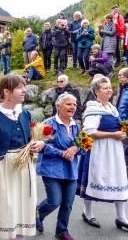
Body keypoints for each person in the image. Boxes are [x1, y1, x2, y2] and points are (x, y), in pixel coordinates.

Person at [0, 73, 45, 240]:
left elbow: (29, 141)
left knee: (23, 206)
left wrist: (38, 145)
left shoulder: (24, 113)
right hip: (3, 168)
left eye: (24, 87)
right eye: (20, 87)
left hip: (24, 167)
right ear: (6, 91)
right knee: (5, 207)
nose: (24, 90)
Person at [77, 76, 128, 231]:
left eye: (110, 87)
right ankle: (87, 212)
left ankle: (121, 217)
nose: (110, 90)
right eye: (105, 88)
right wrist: (113, 135)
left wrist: (125, 131)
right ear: (97, 91)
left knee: (119, 179)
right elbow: (89, 132)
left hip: (114, 151)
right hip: (99, 151)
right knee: (93, 179)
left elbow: (116, 127)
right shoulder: (93, 108)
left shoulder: (112, 107)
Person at [37, 93, 81, 240]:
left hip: (70, 169)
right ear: (58, 106)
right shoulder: (49, 124)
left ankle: (62, 231)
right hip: (51, 168)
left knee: (67, 203)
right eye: (69, 104)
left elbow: (84, 145)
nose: (72, 107)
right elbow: (41, 146)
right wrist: (62, 153)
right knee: (54, 201)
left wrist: (76, 149)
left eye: (74, 105)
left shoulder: (76, 125)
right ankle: (36, 215)